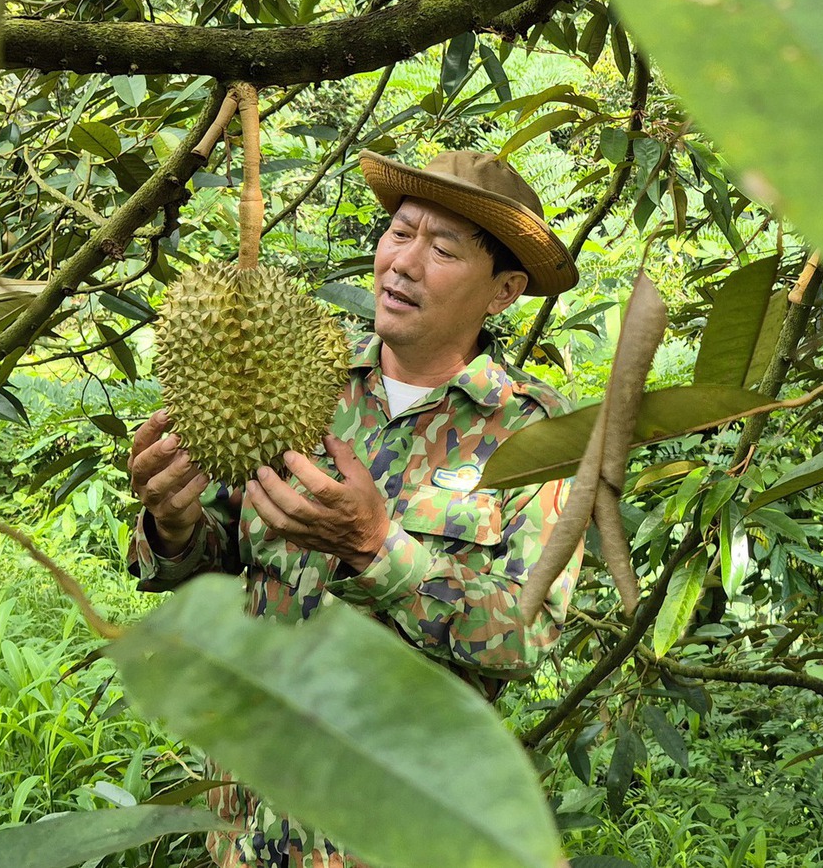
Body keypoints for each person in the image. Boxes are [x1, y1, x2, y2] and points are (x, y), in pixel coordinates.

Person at [124, 149, 583, 868]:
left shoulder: (535, 434)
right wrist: (174, 525)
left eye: (442, 248)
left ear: (504, 291)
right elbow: (215, 555)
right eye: (400, 233)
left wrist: (377, 548)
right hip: (250, 817)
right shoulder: (302, 377)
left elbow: (523, 640)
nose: (403, 263)